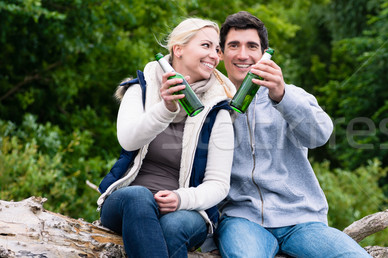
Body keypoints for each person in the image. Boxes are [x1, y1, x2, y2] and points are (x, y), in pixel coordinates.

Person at [215, 11, 372, 257]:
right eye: (233, 45)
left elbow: (320, 135)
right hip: (241, 220)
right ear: (220, 53)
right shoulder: (211, 103)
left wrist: (282, 95)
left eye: (251, 46)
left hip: (302, 220)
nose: (242, 54)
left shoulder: (292, 94)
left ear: (264, 54)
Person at [96, 17, 236, 258]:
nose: (214, 55)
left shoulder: (219, 111)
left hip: (186, 209)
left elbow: (219, 184)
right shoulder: (140, 89)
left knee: (172, 226)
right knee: (138, 196)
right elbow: (128, 141)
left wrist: (180, 199)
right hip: (128, 202)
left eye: (217, 49)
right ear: (178, 49)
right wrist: (165, 108)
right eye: (206, 45)